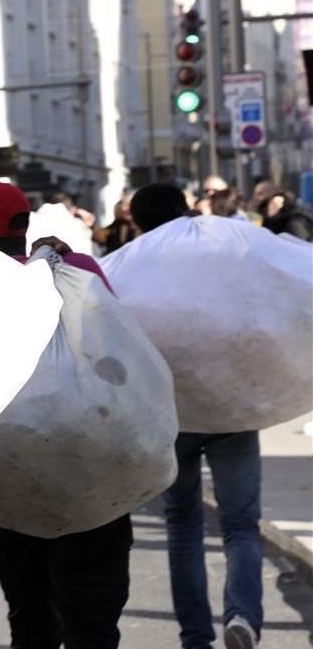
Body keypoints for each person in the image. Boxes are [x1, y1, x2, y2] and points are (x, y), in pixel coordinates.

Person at [0, 180, 132, 649]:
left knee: (30, 616)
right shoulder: (80, 269)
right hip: (92, 473)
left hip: (8, 481)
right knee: (92, 623)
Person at [129, 182, 264, 649]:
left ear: (138, 222)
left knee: (183, 524)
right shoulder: (220, 252)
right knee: (241, 523)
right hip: (230, 407)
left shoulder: (132, 262)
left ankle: (195, 638)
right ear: (185, 211)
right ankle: (243, 614)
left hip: (173, 414)